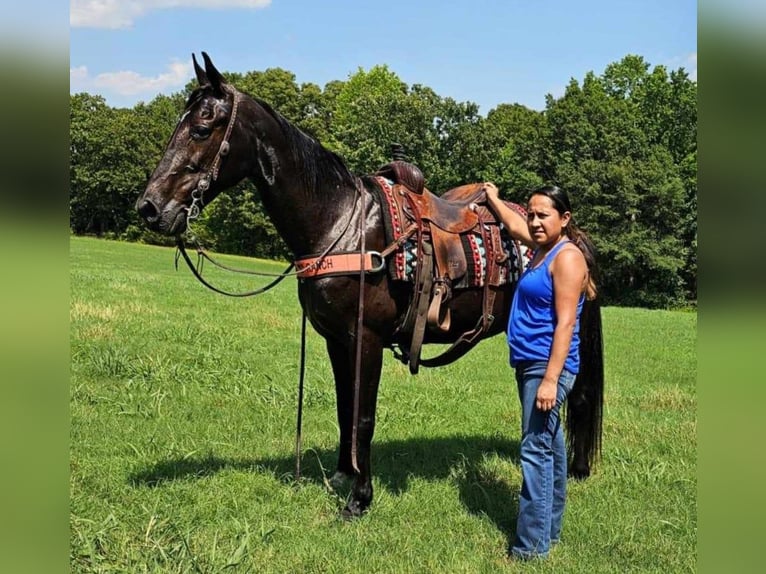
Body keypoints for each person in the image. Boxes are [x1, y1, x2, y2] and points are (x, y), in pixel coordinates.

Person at [485, 182, 598, 560]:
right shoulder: (541, 249)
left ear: (564, 219)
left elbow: (566, 324)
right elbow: (515, 228)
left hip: (546, 366)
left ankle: (530, 548)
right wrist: (495, 200)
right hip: (531, 363)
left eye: (542, 215)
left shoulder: (566, 258)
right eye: (531, 214)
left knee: (534, 450)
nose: (533, 221)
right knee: (551, 446)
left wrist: (550, 379)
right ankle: (550, 532)